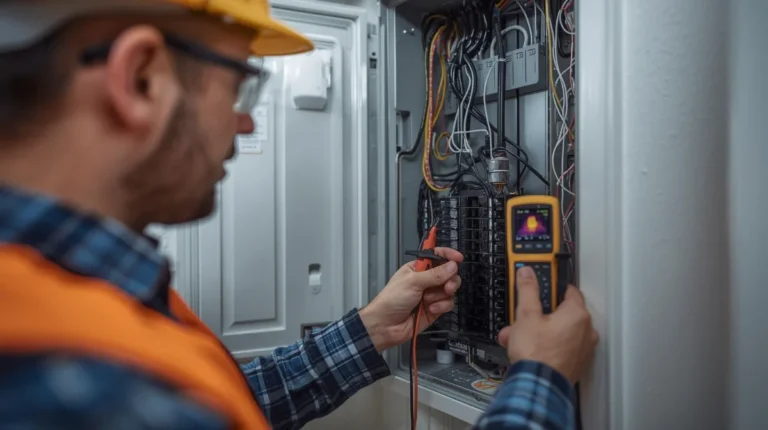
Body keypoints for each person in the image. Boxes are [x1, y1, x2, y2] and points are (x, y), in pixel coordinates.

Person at [0, 1, 597, 429]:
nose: (248, 122)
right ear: (140, 79)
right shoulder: (71, 386)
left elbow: (223, 401)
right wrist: (541, 377)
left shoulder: (56, 290)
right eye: (238, 89)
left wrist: (367, 332)